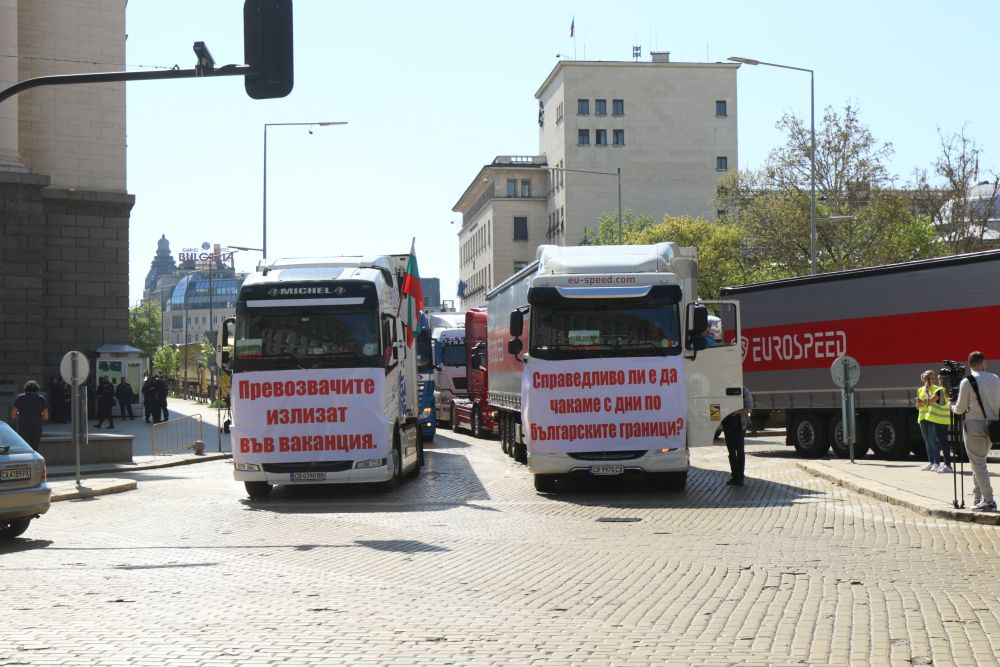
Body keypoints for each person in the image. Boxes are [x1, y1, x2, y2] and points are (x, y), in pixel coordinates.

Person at [950, 351, 1000, 512]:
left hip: (974, 426)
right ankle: (978, 496)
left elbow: (960, 409)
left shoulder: (967, 381)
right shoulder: (995, 378)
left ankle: (989, 500)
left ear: (969, 363)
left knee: (978, 464)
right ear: (983, 362)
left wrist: (951, 404)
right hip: (993, 426)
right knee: (980, 462)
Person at [916, 370, 952, 473]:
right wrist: (919, 403)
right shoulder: (920, 390)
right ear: (925, 379)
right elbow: (918, 405)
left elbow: (930, 401)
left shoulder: (937, 389)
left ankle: (938, 463)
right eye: (931, 378)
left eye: (935, 378)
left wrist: (926, 395)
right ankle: (932, 462)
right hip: (924, 416)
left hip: (934, 418)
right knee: (927, 441)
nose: (934, 380)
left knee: (934, 441)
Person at [721, 386, 752, 486]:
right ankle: (735, 476)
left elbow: (748, 408)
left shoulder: (744, 390)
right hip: (727, 423)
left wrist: (737, 412)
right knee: (731, 451)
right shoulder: (722, 389)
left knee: (740, 451)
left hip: (739, 424)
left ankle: (740, 477)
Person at [11, 380, 49, 449]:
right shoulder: (41, 399)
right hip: (36, 428)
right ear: (37, 388)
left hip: (23, 428)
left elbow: (13, 415)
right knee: (35, 450)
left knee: (23, 450)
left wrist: (20, 414)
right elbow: (46, 417)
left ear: (26, 388)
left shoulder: (20, 398)